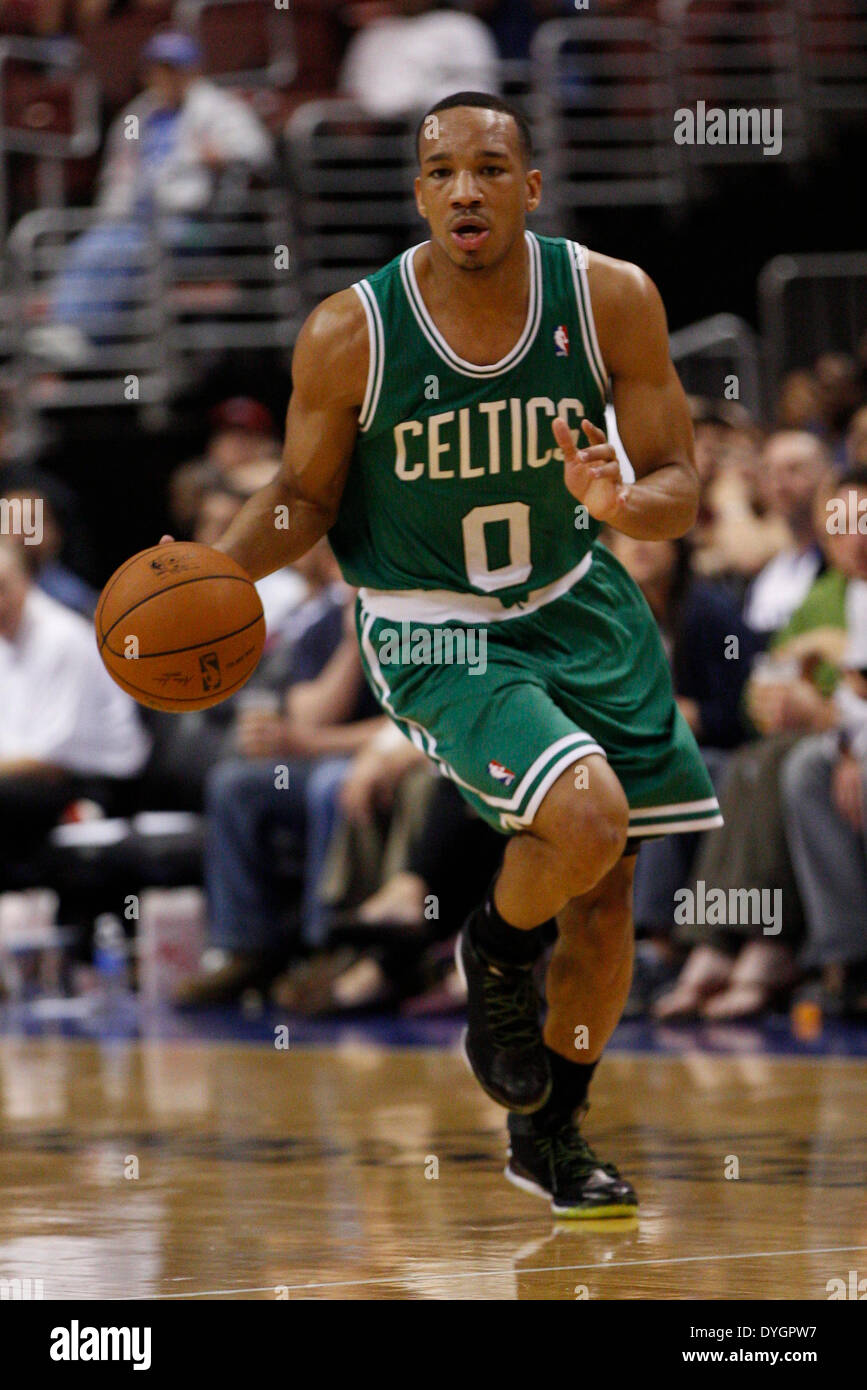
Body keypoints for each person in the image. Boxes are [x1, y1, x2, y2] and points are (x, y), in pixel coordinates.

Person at [162, 90, 722, 1219]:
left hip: (580, 602)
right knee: (588, 820)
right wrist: (219, 574)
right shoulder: (350, 330)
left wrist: (621, 495)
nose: (465, 188)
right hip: (433, 622)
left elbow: (679, 489)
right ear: (419, 194)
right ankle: (495, 948)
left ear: (529, 187)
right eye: (441, 172)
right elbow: (304, 496)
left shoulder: (611, 297)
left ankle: (550, 1132)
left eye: (488, 167)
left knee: (608, 898)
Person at [27, 29, 272, 365]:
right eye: (158, 69)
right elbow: (119, 176)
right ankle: (68, 329)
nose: (164, 77)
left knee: (119, 249)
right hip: (140, 222)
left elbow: (257, 152)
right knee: (93, 244)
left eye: (174, 68)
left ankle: (81, 331)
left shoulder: (218, 107)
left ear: (192, 71)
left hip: (198, 225)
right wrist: (114, 213)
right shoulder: (136, 116)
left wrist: (218, 155)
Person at [0, 536, 150, 890]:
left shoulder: (63, 638)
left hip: (96, 784)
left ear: (27, 581)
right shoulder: (6, 640)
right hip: (28, 779)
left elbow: (52, 758)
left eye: (2, 588)